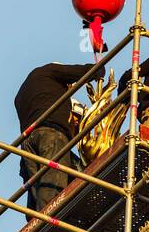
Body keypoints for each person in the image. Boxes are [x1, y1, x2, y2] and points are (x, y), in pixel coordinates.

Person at [14, 62, 97, 211]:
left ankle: (37, 222)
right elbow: (76, 72)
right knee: (53, 186)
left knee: (38, 188)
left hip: (27, 142)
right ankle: (48, 221)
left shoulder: (21, 94)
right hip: (51, 134)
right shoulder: (48, 71)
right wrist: (96, 69)